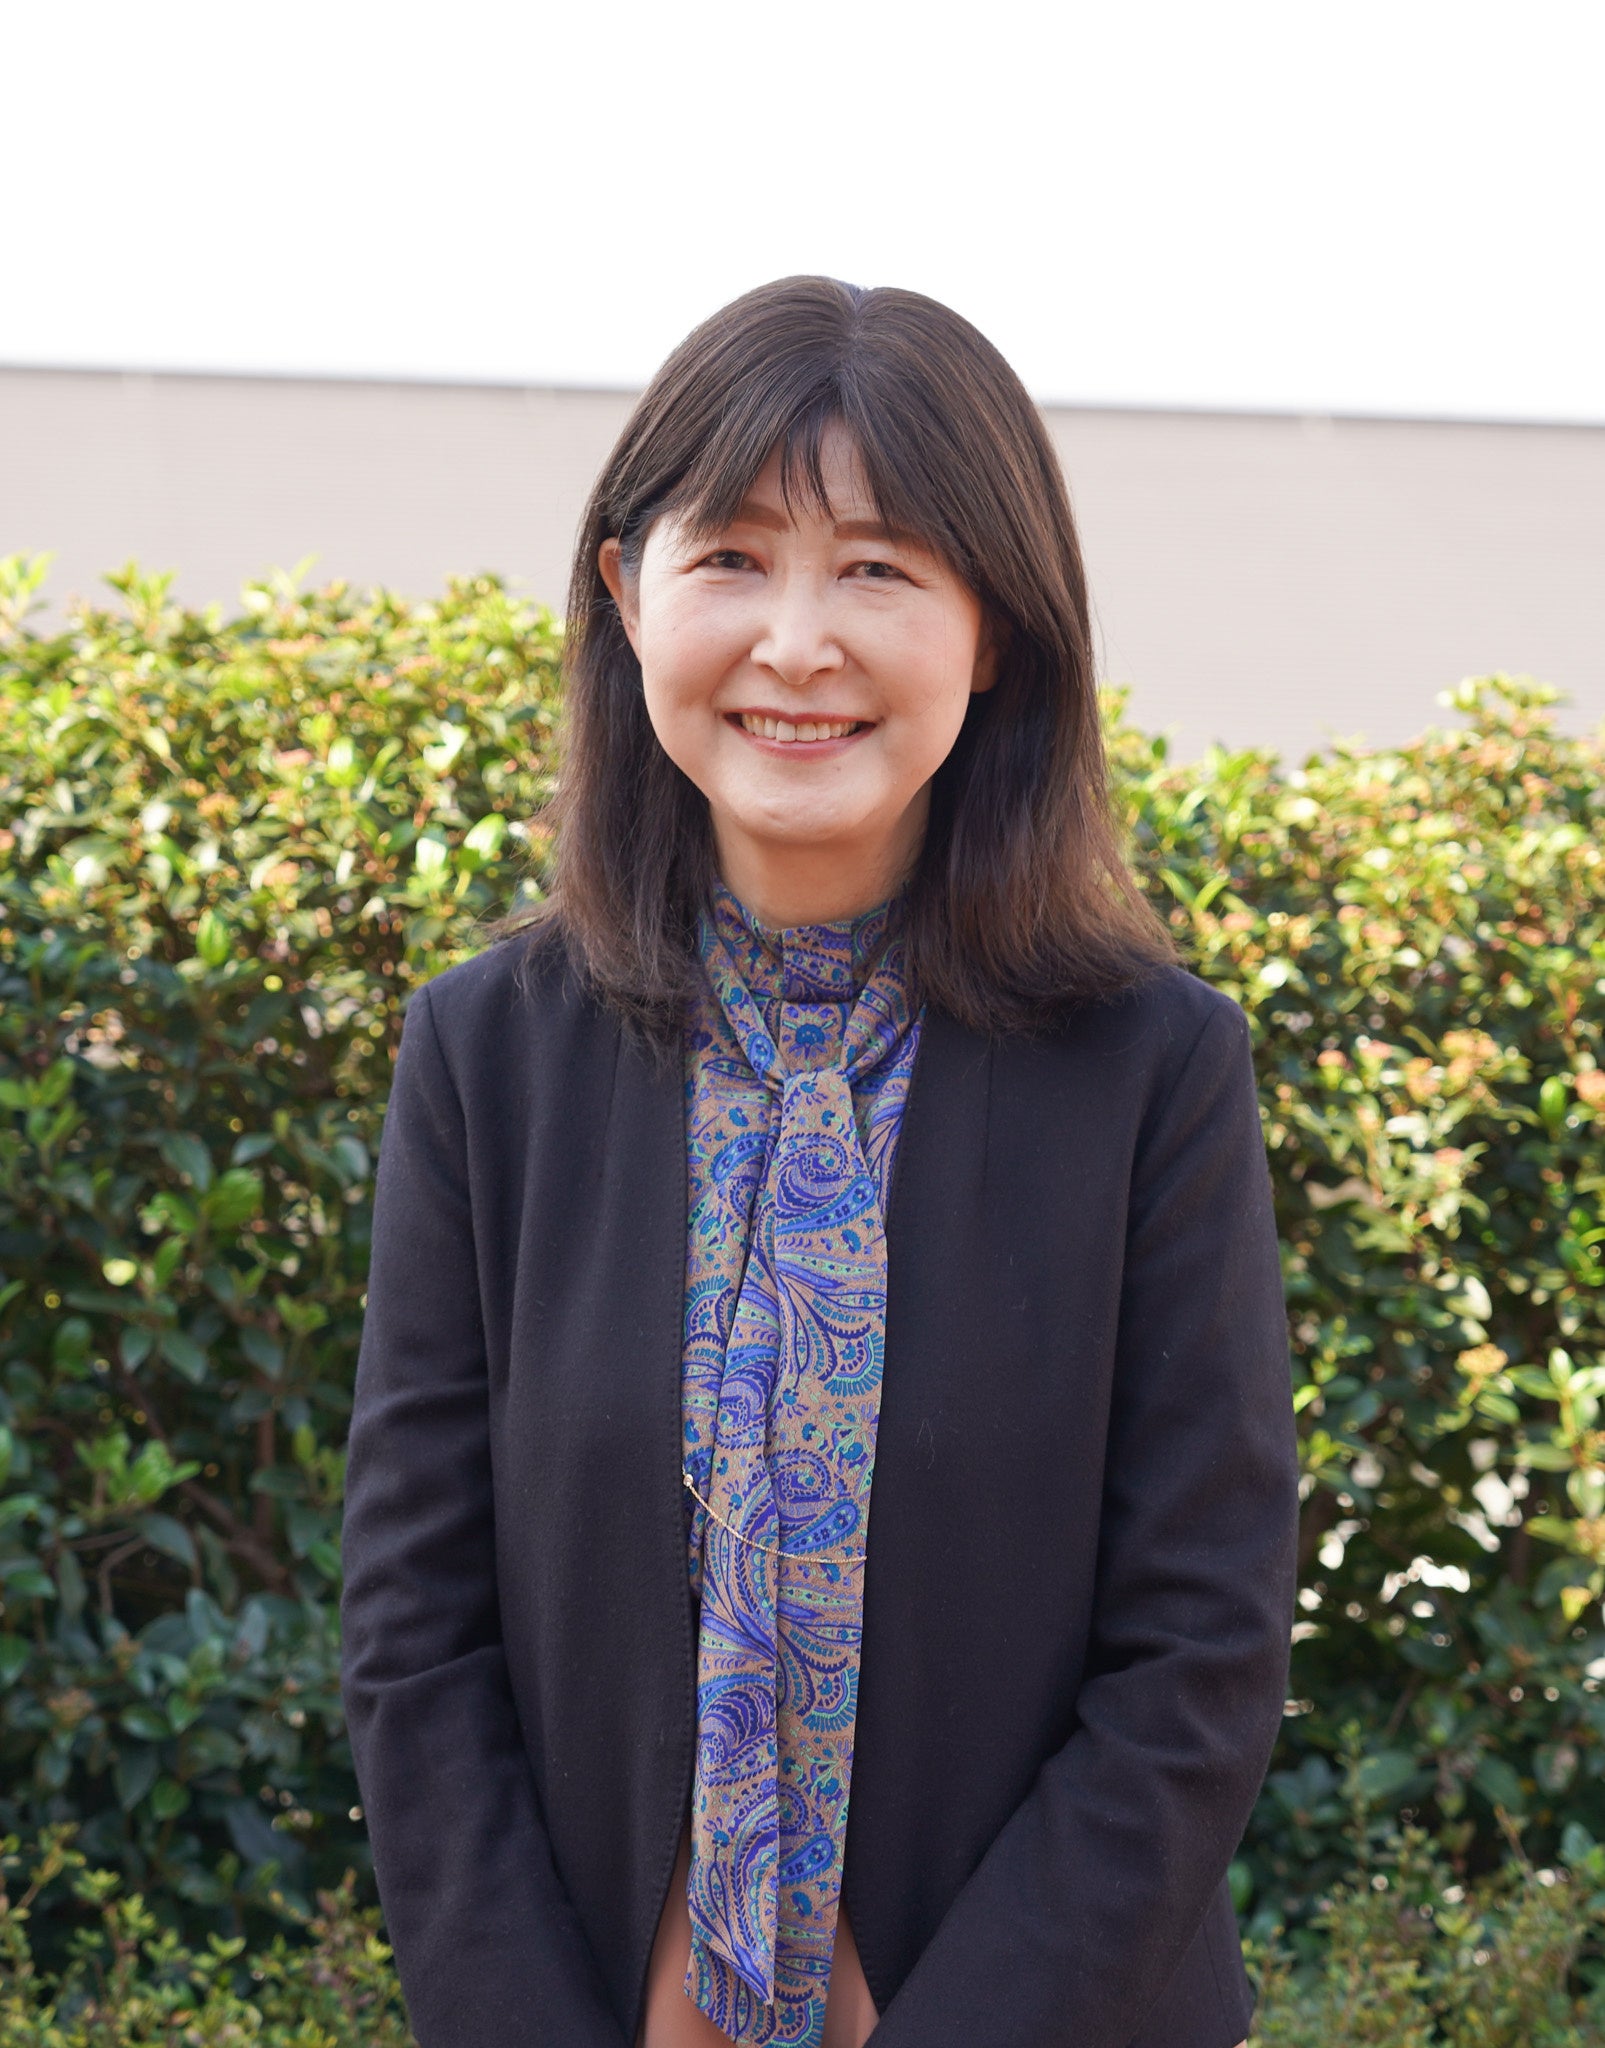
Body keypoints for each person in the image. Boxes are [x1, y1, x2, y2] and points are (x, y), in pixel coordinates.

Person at [338, 275, 1299, 2048]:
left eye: (876, 568)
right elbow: (416, 1632)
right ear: (626, 593)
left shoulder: (1152, 1072)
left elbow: (1199, 1655)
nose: (795, 643)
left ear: (993, 631)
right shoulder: (488, 1056)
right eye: (731, 558)